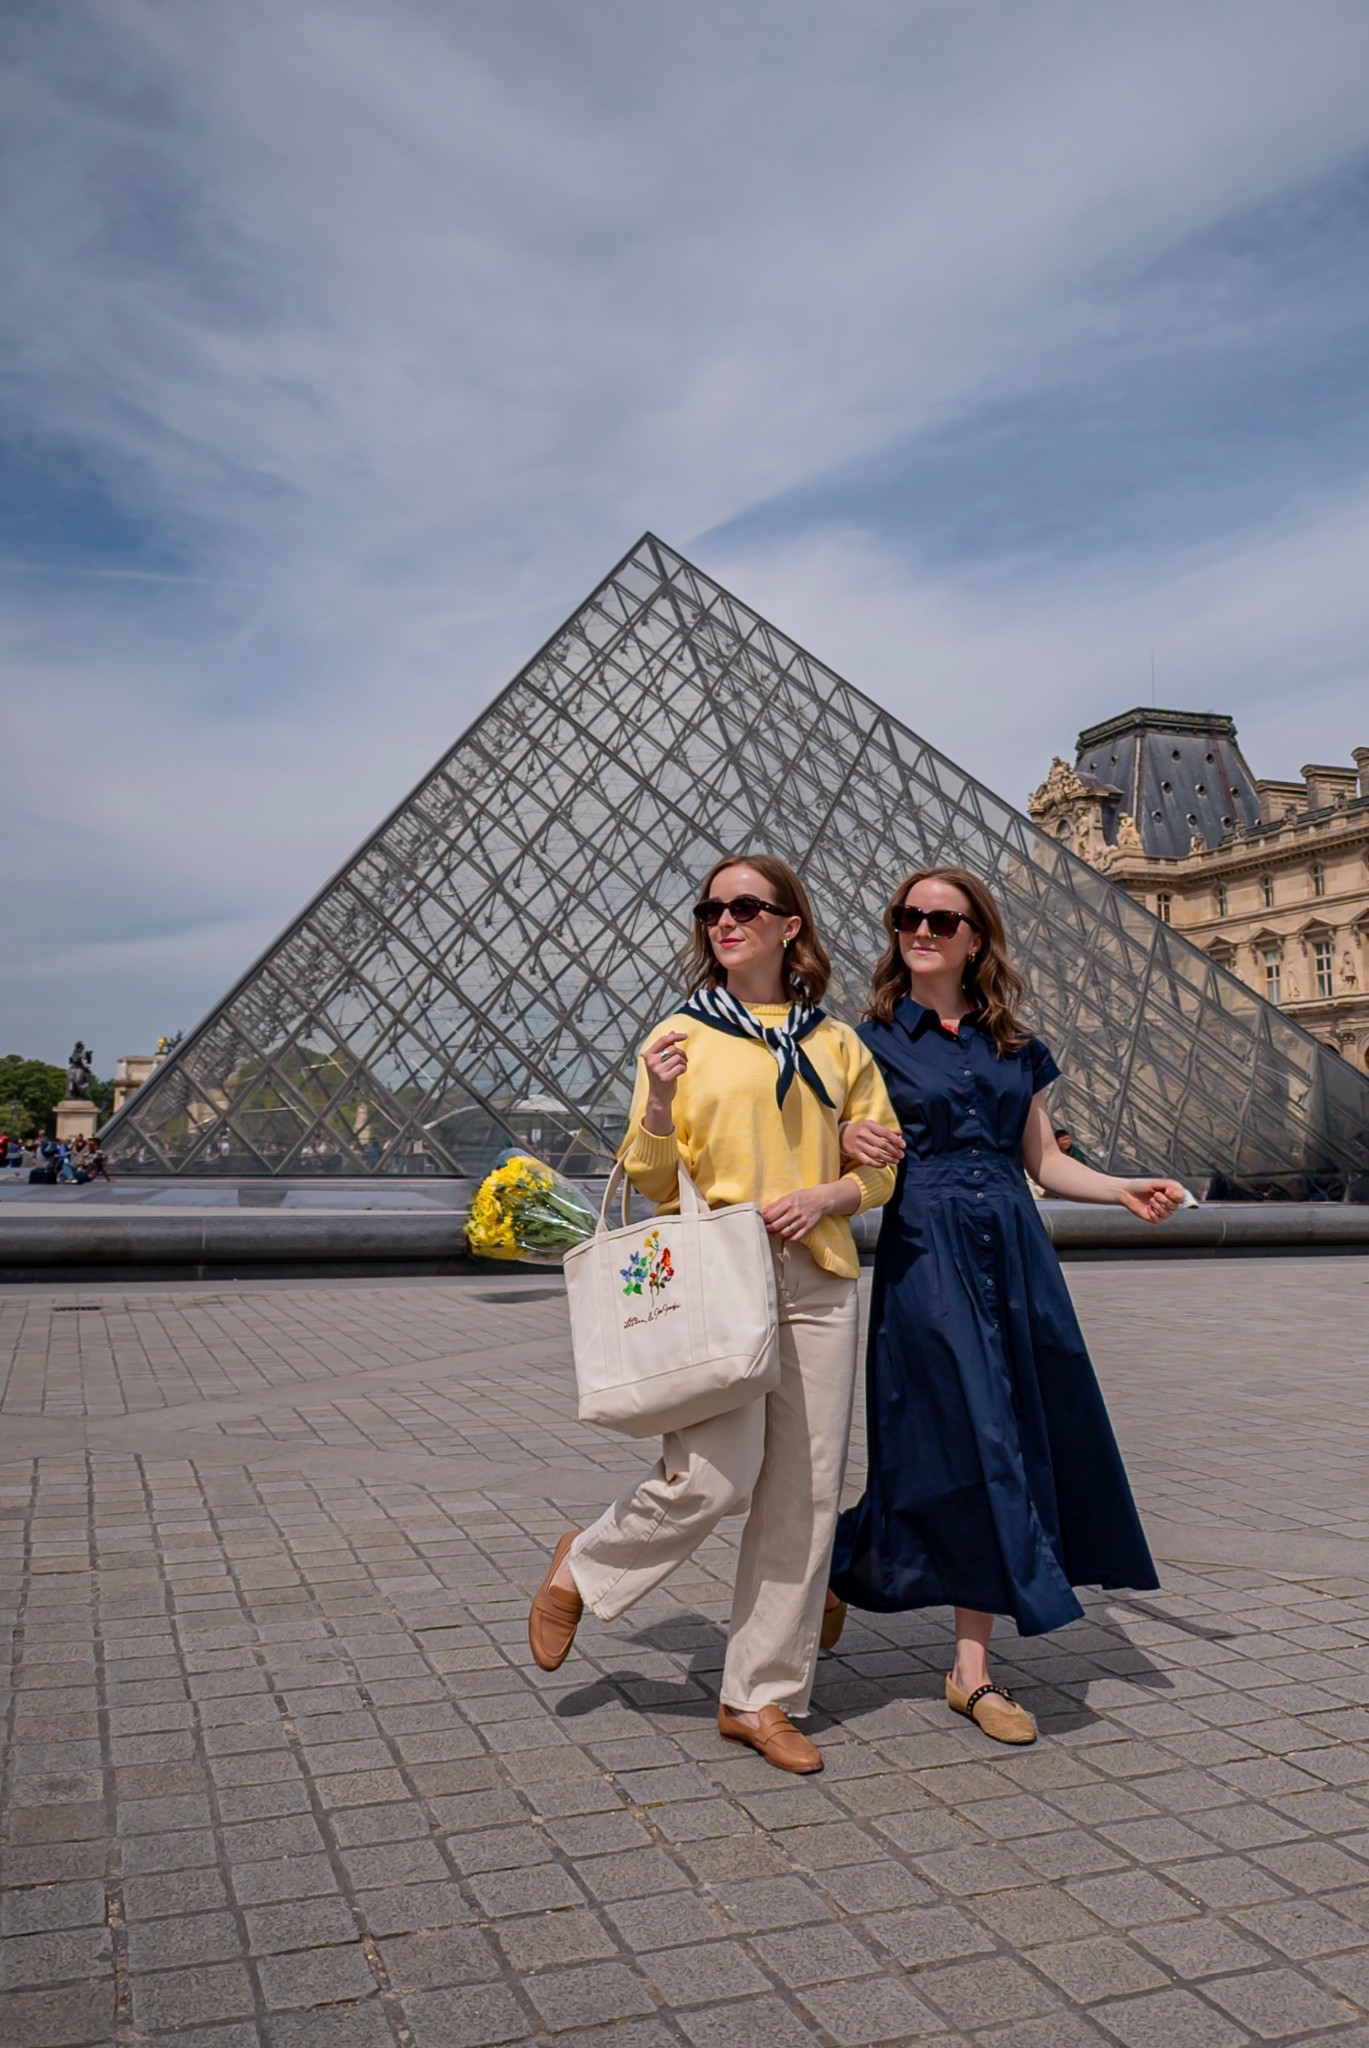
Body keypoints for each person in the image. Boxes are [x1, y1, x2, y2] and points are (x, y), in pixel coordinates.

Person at [527, 853, 901, 1774]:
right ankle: (585, 1561)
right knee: (711, 1476)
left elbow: (883, 1169)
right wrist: (654, 1100)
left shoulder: (838, 1044)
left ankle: (759, 1697)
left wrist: (829, 1196)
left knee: (803, 1497)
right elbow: (649, 1177)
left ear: (789, 926)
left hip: (815, 1279)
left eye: (745, 907)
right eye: (710, 910)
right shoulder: (680, 1034)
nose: (722, 921)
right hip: (715, 1277)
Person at [829, 866, 1183, 1746]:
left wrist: (1118, 1188)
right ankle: (847, 1563)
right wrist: (842, 1134)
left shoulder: (1015, 1046)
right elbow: (827, 1144)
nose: (920, 929)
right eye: (907, 917)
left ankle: (969, 1672)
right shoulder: (861, 1042)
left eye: (940, 920)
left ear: (975, 937)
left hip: (1014, 1252)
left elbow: (1042, 1161)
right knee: (965, 1437)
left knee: (1008, 1435)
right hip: (925, 1254)